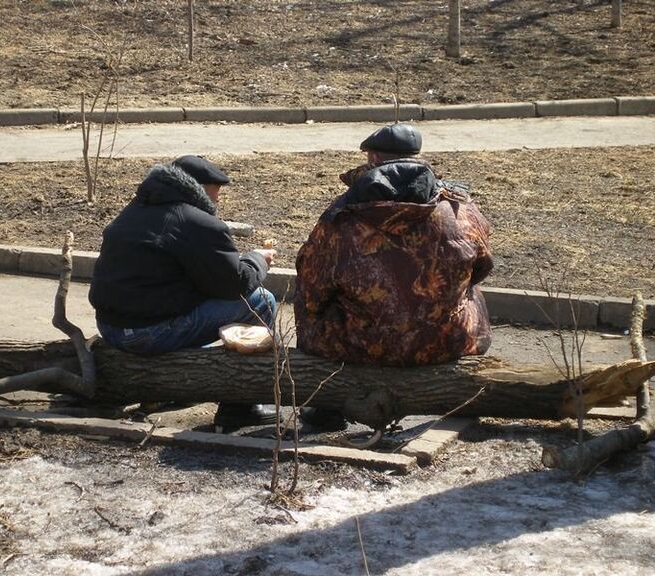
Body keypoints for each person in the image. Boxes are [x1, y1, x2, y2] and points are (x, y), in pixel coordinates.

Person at [294, 124, 493, 428]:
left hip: (362, 343)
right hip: (446, 340)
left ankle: (326, 407)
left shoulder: (342, 216)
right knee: (472, 294)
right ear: (417, 157)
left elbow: (312, 289)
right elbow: (482, 266)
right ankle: (463, 397)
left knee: (307, 302)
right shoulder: (458, 208)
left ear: (372, 158)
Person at [89, 155, 278, 428]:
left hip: (111, 327)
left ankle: (172, 387)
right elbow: (235, 285)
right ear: (198, 188)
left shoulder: (134, 211)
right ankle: (241, 405)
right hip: (145, 335)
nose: (219, 199)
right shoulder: (195, 222)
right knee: (262, 302)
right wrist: (258, 259)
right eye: (216, 190)